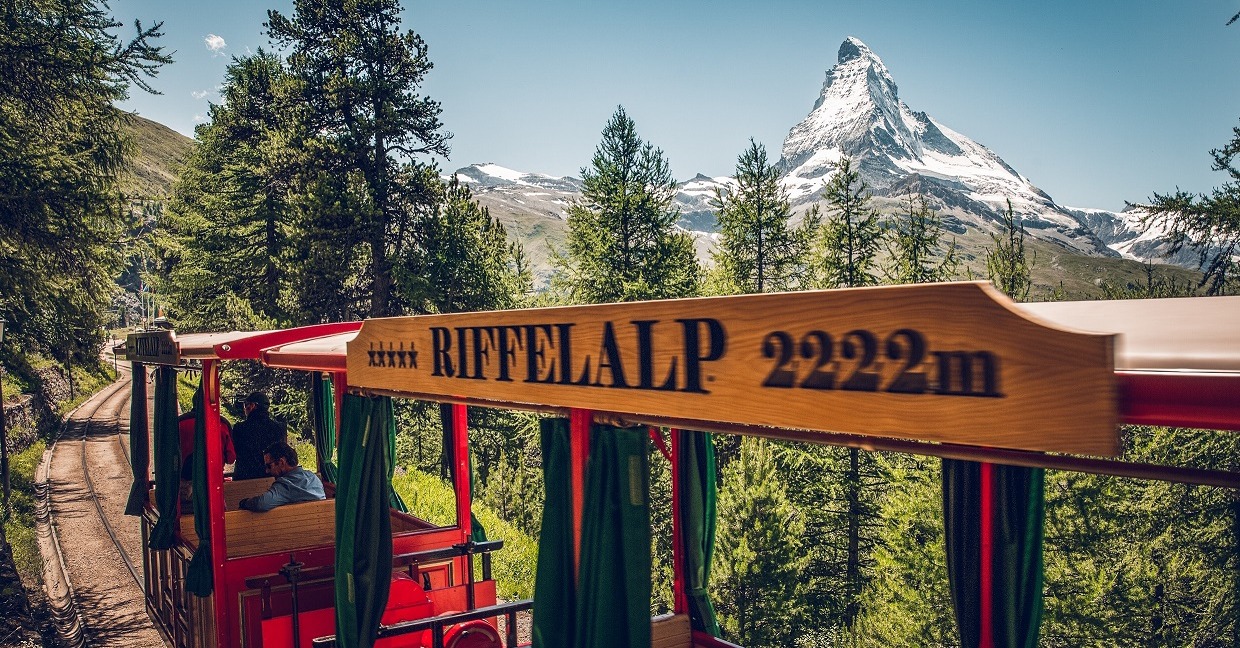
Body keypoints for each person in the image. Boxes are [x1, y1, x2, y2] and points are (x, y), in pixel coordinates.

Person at [238, 442, 325, 512]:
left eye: (269, 466)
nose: (267, 471)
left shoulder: (286, 484)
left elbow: (261, 503)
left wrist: (244, 502)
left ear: (281, 462)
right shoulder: (313, 477)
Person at [231, 391, 288, 480]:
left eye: (246, 405)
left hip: (245, 479)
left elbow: (233, 453)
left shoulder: (239, 428)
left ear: (252, 406)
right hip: (273, 478)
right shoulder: (280, 428)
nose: (244, 408)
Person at [177, 410, 237, 480]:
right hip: (213, 479)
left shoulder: (179, 423)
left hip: (184, 478)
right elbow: (230, 458)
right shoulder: (222, 424)